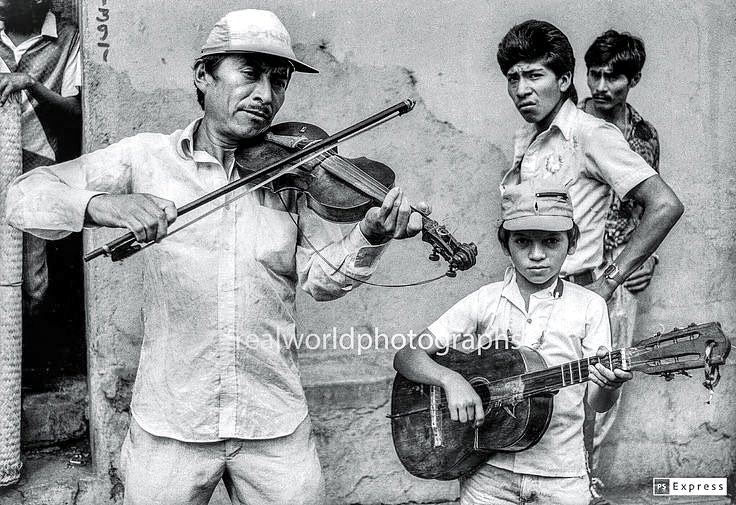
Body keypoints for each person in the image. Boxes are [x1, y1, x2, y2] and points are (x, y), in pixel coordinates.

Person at [6, 9, 432, 505]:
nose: (266, 96)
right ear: (202, 76)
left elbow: (320, 280)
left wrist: (370, 237)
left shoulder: (291, 177)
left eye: (279, 80)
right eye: (250, 74)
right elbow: (23, 197)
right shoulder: (146, 158)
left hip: (272, 421)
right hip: (171, 422)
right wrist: (103, 205)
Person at [394, 180, 633, 505]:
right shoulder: (485, 301)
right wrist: (451, 380)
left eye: (551, 241)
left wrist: (609, 385)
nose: (537, 255)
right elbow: (407, 356)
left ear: (572, 241)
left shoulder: (589, 306)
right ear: (505, 243)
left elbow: (598, 402)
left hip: (560, 476)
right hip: (487, 474)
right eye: (523, 241)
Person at [496, 20, 683, 307]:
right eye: (513, 78)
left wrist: (608, 282)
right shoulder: (526, 136)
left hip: (576, 294)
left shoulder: (590, 134)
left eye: (534, 76)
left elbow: (664, 204)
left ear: (564, 80)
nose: (522, 90)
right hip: (528, 296)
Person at [580, 29, 661, 500]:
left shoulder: (644, 136)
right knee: (558, 378)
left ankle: (587, 478)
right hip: (573, 270)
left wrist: (643, 258)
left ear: (634, 79)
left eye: (615, 77)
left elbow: (651, 204)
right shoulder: (568, 122)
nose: (603, 86)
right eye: (596, 74)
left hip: (620, 277)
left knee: (608, 380)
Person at [0, 0, 81, 314]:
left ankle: (29, 354)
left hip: (38, 160)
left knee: (31, 278)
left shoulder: (67, 38)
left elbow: (76, 111)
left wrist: (30, 84)